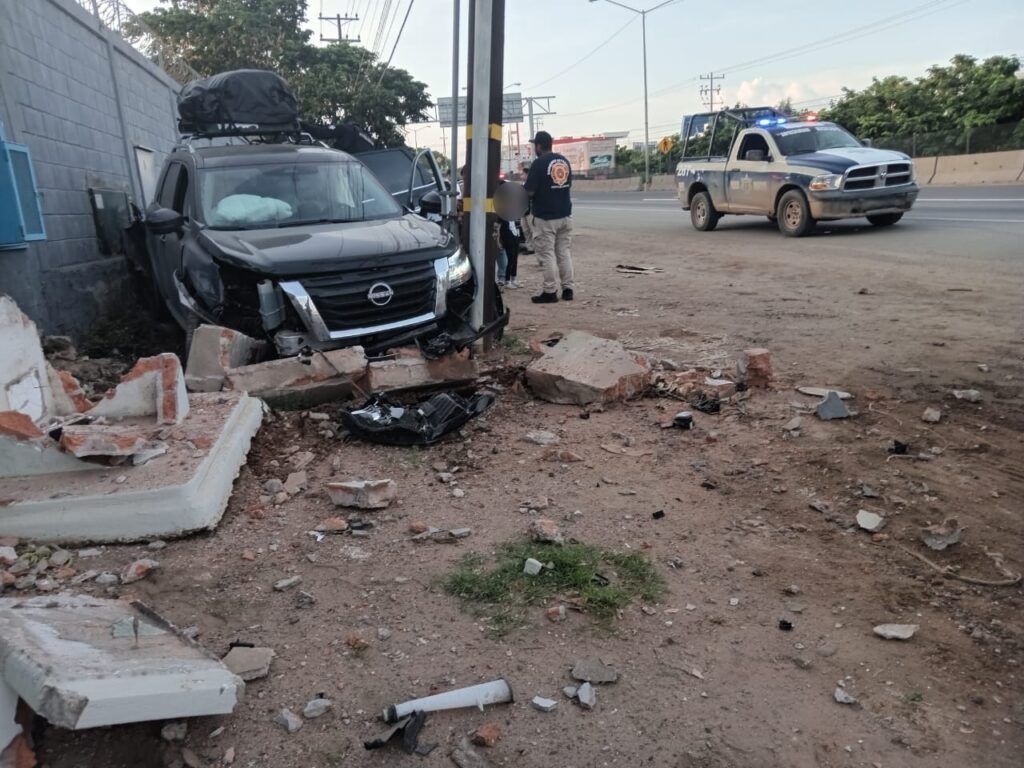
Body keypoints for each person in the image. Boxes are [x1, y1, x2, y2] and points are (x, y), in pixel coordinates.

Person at [523, 131, 574, 303]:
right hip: (565, 215)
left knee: (547, 255)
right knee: (564, 253)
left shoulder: (538, 164)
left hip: (546, 218)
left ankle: (550, 291)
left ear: (538, 146)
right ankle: (568, 289)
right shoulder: (564, 161)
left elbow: (529, 192)